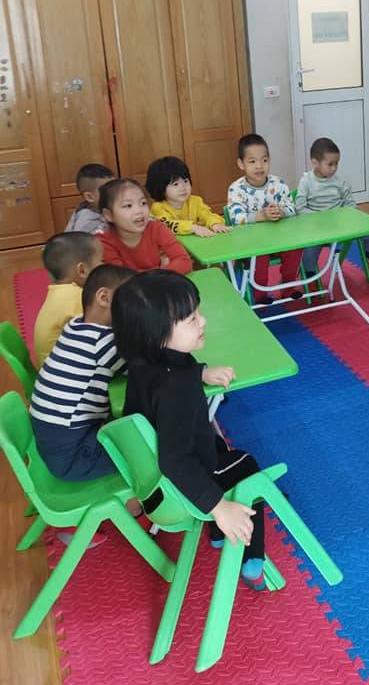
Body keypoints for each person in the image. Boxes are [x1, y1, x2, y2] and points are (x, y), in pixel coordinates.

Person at [115, 270, 266, 589]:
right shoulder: (177, 389)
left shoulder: (143, 361)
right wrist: (218, 507)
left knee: (220, 447)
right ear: (157, 335)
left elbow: (170, 371)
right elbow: (176, 461)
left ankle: (217, 536)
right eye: (192, 319)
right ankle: (252, 560)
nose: (203, 321)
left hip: (150, 478)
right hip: (178, 486)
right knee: (249, 468)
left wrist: (201, 372)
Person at [29, 264, 135, 481]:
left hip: (54, 441)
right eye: (133, 303)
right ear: (104, 297)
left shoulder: (76, 325)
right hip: (73, 457)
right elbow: (145, 366)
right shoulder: (103, 343)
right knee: (147, 448)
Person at [227, 133, 302, 304]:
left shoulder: (278, 184)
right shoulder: (236, 189)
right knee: (259, 259)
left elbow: (292, 208)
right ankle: (260, 294)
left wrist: (282, 211)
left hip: (280, 240)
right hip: (253, 244)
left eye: (264, 160)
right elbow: (236, 218)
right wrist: (260, 216)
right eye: (252, 161)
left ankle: (288, 286)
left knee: (296, 248)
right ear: (241, 164)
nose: (259, 166)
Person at [295, 137, 369, 280]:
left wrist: (344, 216)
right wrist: (319, 218)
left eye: (336, 164)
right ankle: (310, 276)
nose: (334, 168)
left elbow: (350, 204)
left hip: (339, 225)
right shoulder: (306, 181)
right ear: (315, 163)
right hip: (316, 228)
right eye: (330, 164)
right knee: (309, 248)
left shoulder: (339, 181)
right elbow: (300, 208)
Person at [34, 232, 103, 366]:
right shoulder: (76, 298)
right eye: (101, 261)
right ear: (82, 270)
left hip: (52, 366)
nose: (104, 265)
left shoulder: (60, 292)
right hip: (65, 372)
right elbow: (99, 332)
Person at [97, 178, 191, 274]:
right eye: (128, 205)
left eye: (143, 203)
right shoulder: (103, 243)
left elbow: (184, 261)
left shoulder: (156, 228)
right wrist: (160, 273)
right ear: (109, 215)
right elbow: (120, 277)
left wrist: (160, 273)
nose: (139, 211)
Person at [146, 155, 230, 238]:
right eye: (176, 184)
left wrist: (215, 223)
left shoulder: (195, 201)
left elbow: (207, 215)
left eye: (185, 181)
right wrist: (193, 228)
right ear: (160, 187)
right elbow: (168, 225)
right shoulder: (158, 208)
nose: (183, 187)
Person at [64, 163, 115, 234]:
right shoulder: (87, 226)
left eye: (115, 187)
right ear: (90, 197)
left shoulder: (99, 208)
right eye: (108, 190)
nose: (115, 193)